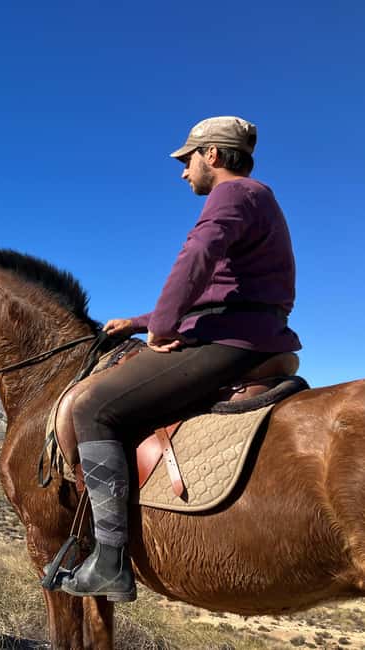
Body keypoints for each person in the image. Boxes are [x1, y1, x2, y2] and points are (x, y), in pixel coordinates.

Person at [50, 116, 302, 602]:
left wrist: (163, 326)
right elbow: (221, 291)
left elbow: (196, 257)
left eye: (187, 160)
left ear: (213, 154)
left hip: (228, 342)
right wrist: (141, 322)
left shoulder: (231, 195)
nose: (183, 172)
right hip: (248, 330)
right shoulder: (258, 198)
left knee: (91, 407)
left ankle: (109, 561)